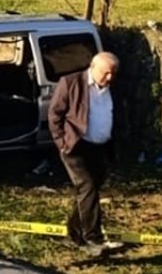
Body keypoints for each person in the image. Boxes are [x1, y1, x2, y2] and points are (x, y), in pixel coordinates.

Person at [49, 51, 124, 255]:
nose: (110, 78)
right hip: (75, 146)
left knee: (89, 191)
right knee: (87, 187)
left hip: (99, 147)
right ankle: (93, 238)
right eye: (106, 73)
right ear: (93, 67)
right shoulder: (71, 83)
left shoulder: (114, 88)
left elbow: (118, 114)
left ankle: (73, 235)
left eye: (113, 73)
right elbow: (55, 113)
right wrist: (62, 142)